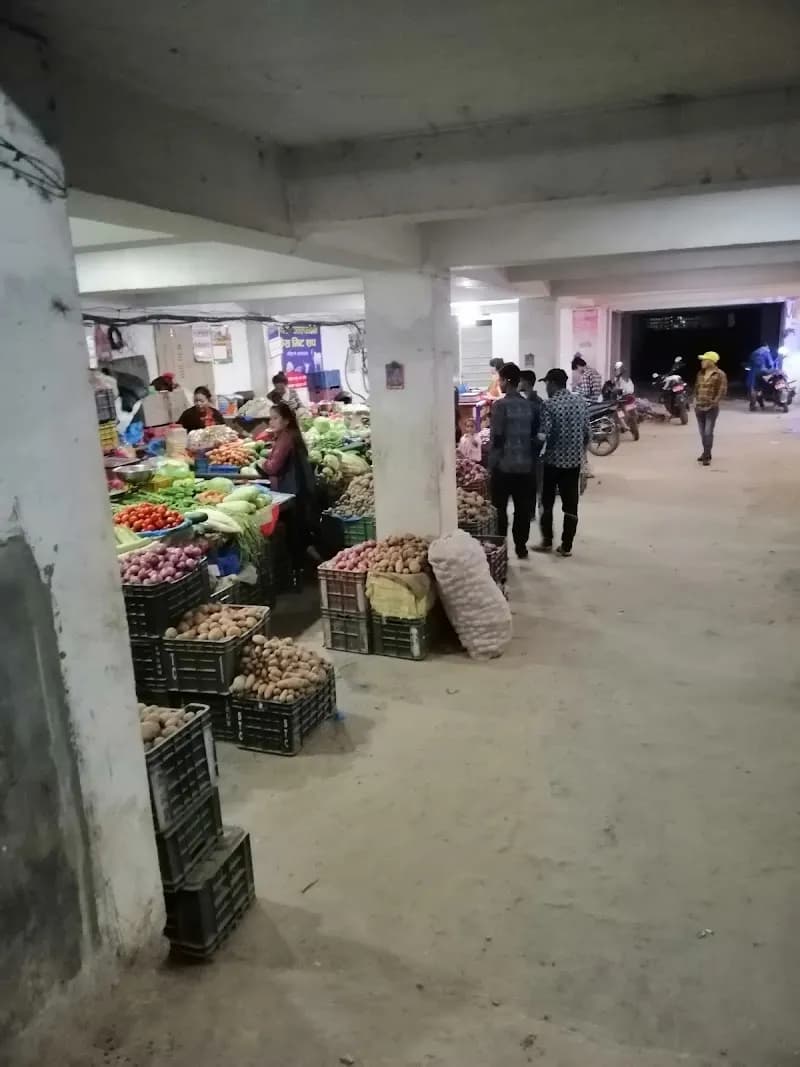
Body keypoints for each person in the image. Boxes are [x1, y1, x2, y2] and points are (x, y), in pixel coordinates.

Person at [257, 402, 317, 588]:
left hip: (292, 492)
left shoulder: (286, 438)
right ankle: (302, 569)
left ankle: (295, 573)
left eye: (275, 418)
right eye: (271, 418)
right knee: (298, 532)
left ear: (286, 420)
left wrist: (261, 463)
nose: (271, 421)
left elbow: (274, 466)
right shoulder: (290, 435)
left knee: (294, 534)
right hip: (298, 491)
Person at [534, 368, 591, 558]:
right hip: (573, 463)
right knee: (571, 504)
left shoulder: (549, 405)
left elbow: (544, 434)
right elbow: (587, 433)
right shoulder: (580, 402)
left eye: (546, 384)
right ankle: (566, 546)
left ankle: (547, 541)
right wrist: (582, 456)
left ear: (552, 383)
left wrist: (535, 449)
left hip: (552, 462)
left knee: (546, 502)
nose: (546, 388)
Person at [488, 362, 536, 559]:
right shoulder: (530, 406)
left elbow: (497, 438)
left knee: (500, 509)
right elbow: (535, 436)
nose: (499, 383)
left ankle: (502, 549)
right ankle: (521, 547)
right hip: (525, 467)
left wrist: (490, 464)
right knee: (522, 509)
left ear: (507, 381)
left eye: (500, 380)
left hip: (504, 467)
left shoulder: (500, 406)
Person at [694, 351, 727, 466]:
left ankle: (706, 455)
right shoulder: (700, 373)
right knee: (702, 433)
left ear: (711, 362)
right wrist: (694, 401)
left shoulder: (720, 374)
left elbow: (722, 391)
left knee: (708, 432)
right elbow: (696, 388)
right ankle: (706, 452)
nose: (702, 362)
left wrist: (714, 402)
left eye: (704, 360)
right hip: (699, 407)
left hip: (711, 408)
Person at [519, 370, 544, 516]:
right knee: (534, 480)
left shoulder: (529, 403)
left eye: (520, 381)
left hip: (530, 447)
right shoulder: (537, 401)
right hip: (535, 446)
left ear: (526, 383)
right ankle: (532, 511)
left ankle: (531, 512)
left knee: (530, 481)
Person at [747, 345, 775, 410]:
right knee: (762, 388)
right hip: (763, 371)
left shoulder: (753, 353)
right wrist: (772, 370)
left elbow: (749, 364)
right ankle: (762, 404)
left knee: (754, 389)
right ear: (766, 347)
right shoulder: (766, 352)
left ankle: (752, 406)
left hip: (754, 373)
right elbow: (771, 364)